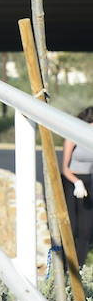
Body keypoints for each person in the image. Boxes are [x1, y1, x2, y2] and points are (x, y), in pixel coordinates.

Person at [60, 106, 93, 266]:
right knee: (71, 225)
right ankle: (66, 265)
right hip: (71, 181)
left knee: (86, 228)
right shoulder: (72, 138)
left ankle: (79, 266)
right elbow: (64, 168)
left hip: (87, 182)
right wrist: (76, 182)